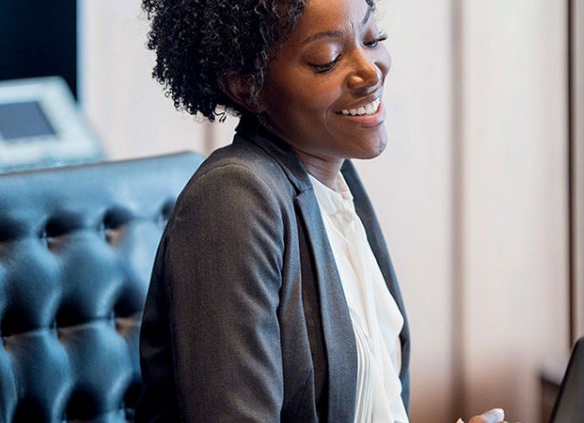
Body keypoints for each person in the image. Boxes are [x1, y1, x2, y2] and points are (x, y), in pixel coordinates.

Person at [136, 0, 507, 422]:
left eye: (372, 39)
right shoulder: (233, 200)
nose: (370, 71)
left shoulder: (338, 185)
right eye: (326, 59)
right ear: (246, 86)